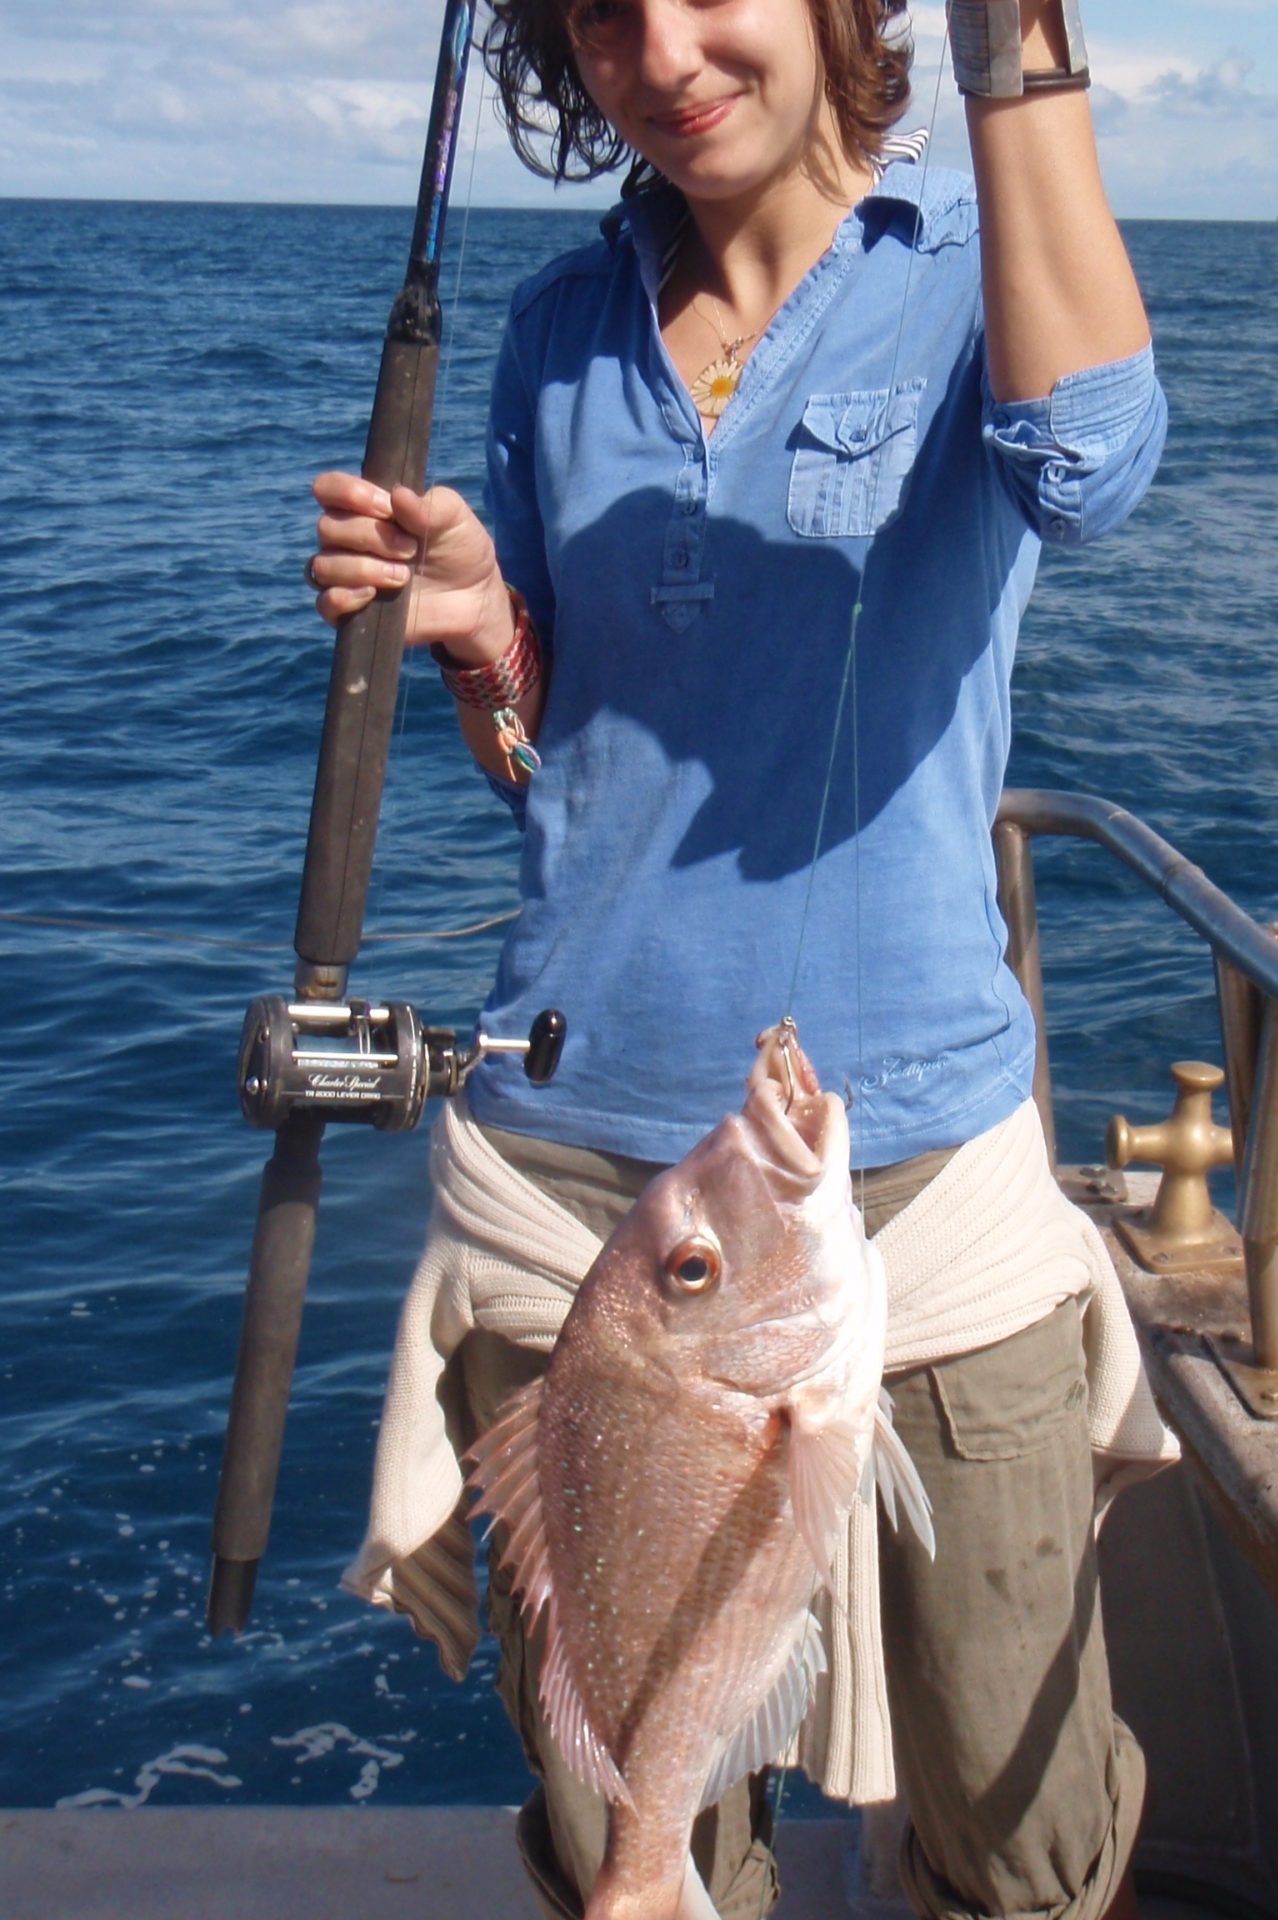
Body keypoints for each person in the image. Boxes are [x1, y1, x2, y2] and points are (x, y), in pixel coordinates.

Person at [318, 0, 1173, 1916]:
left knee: (1024, 1833)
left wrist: (1012, 36)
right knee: (626, 1807)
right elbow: (551, 755)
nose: (664, 51)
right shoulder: (557, 332)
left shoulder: (970, 275)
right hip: (569, 1182)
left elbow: (1093, 465)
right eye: (602, 17)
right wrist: (479, 634)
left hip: (919, 1187)